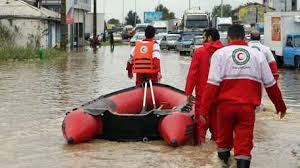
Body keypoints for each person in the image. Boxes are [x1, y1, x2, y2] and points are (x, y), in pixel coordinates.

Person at [199, 24, 287, 168]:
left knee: (223, 143)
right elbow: (270, 84)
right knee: (244, 147)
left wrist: (204, 110)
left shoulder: (219, 54)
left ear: (228, 37)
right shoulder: (257, 55)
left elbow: (212, 85)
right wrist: (280, 106)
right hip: (247, 109)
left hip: (225, 109)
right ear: (244, 37)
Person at [185, 28, 224, 145]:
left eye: (204, 37)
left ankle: (200, 154)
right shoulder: (225, 52)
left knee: (200, 129)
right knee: (218, 130)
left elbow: (193, 74)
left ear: (209, 37)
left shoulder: (199, 52)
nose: (203, 40)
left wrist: (188, 92)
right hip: (220, 95)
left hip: (203, 95)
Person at [248, 30, 280, 112]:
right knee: (259, 99)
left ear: (250, 37)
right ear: (260, 38)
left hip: (245, 75)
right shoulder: (266, 49)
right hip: (260, 77)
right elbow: (273, 64)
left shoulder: (245, 47)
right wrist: (274, 78)